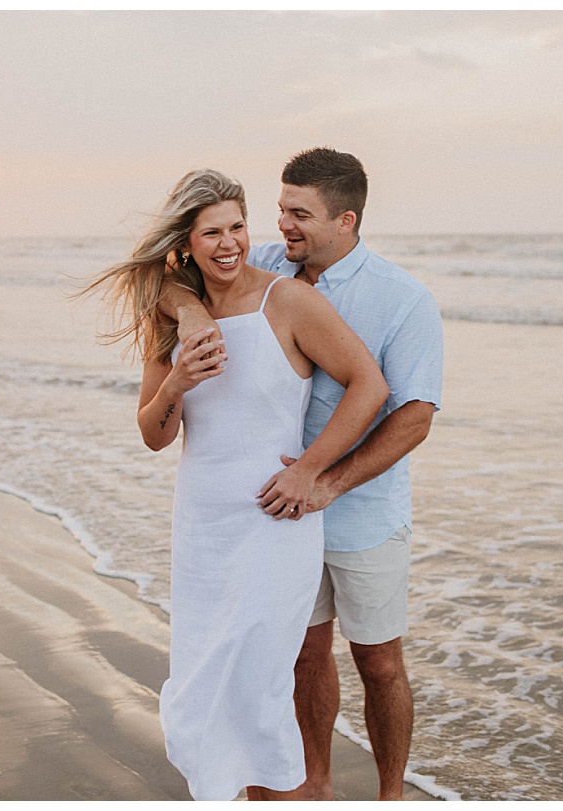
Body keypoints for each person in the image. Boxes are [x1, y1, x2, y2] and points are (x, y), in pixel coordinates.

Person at [84, 168, 388, 801]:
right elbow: (154, 434)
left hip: (276, 526)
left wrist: (310, 471)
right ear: (185, 242)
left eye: (238, 227)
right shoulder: (170, 318)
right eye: (211, 232)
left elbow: (371, 386)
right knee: (206, 686)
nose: (229, 244)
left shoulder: (290, 301)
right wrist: (178, 381)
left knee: (259, 691)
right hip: (203, 531)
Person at [159, 148, 444, 800]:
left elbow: (414, 417)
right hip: (275, 518)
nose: (279, 225)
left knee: (377, 661)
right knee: (301, 656)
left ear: (345, 220)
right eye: (281, 208)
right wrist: (191, 310)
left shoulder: (404, 300)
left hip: (358, 507)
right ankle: (310, 783)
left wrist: (325, 479)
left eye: (298, 214)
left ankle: (390, 792)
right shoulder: (266, 262)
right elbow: (174, 269)